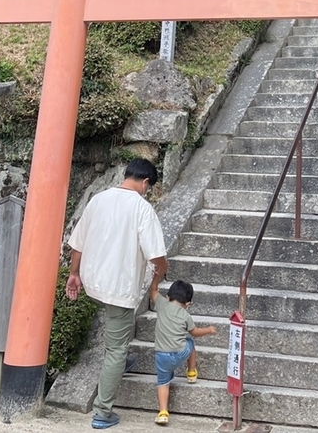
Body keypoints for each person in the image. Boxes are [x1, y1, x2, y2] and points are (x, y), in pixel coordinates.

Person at [66, 158, 168, 430]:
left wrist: (74, 274)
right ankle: (102, 412)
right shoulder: (142, 208)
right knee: (115, 349)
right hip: (118, 289)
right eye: (149, 187)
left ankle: (122, 360)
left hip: (92, 281)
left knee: (117, 338)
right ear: (146, 183)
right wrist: (160, 274)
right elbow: (156, 256)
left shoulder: (99, 199)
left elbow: (78, 241)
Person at [152, 279, 217, 426]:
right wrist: (208, 330)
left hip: (161, 355)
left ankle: (163, 413)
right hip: (181, 353)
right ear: (188, 304)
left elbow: (153, 291)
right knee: (190, 342)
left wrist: (156, 277)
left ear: (168, 297)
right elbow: (194, 332)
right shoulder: (185, 315)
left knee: (162, 383)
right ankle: (192, 372)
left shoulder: (162, 304)